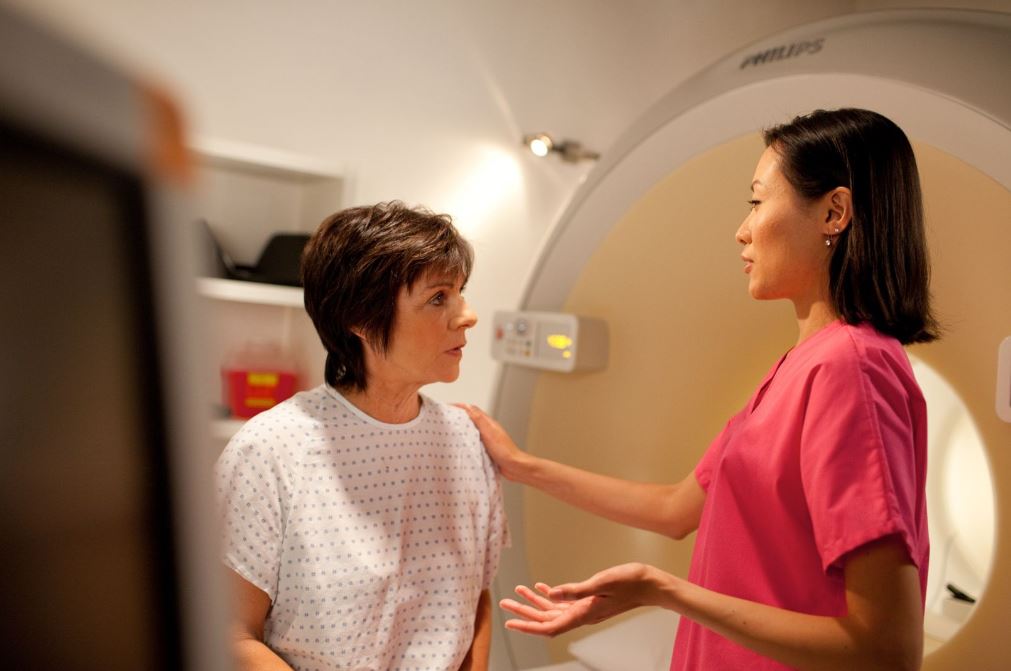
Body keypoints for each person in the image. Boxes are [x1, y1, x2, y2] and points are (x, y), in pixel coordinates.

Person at [460, 108, 937, 671]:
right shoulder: (799, 367)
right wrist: (520, 466)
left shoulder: (849, 369)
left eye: (757, 202)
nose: (742, 229)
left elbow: (887, 647)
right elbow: (674, 508)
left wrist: (665, 591)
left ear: (834, 212)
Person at [216, 201, 509, 671]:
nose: (467, 315)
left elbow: (476, 601)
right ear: (360, 318)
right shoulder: (271, 449)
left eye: (460, 293)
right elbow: (232, 634)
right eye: (439, 298)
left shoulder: (466, 443)